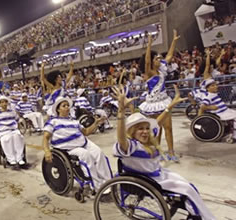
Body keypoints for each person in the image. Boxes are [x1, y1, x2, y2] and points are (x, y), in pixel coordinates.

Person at [113, 84, 216, 220]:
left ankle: (198, 215)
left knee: (190, 188)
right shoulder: (131, 146)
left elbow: (157, 123)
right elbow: (121, 138)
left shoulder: (147, 138)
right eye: (140, 129)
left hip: (160, 175)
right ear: (132, 132)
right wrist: (121, 111)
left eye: (146, 128)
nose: (145, 131)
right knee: (188, 190)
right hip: (151, 180)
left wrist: (170, 106)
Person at [43, 97, 112, 192]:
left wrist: (96, 123)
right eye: (64, 106)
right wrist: (47, 151)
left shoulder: (74, 121)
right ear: (58, 109)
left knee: (99, 153)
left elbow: (86, 132)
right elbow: (45, 137)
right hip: (69, 148)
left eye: (68, 105)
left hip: (84, 143)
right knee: (86, 155)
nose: (67, 107)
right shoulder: (53, 122)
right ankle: (97, 186)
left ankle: (108, 182)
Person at [138, 31, 180, 162]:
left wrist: (174, 41)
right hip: (152, 104)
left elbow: (169, 55)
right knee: (156, 129)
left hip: (163, 101)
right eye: (156, 58)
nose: (159, 59)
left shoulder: (162, 68)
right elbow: (146, 62)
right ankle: (157, 150)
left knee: (168, 128)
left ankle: (171, 152)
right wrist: (149, 44)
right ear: (151, 61)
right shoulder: (149, 72)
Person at [0, 96, 26, 168]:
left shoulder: (12, 111)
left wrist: (19, 129)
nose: (4, 104)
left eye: (5, 102)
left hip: (13, 130)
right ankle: (11, 159)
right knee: (7, 138)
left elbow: (18, 120)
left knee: (18, 136)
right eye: (2, 102)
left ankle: (19, 158)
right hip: (3, 131)